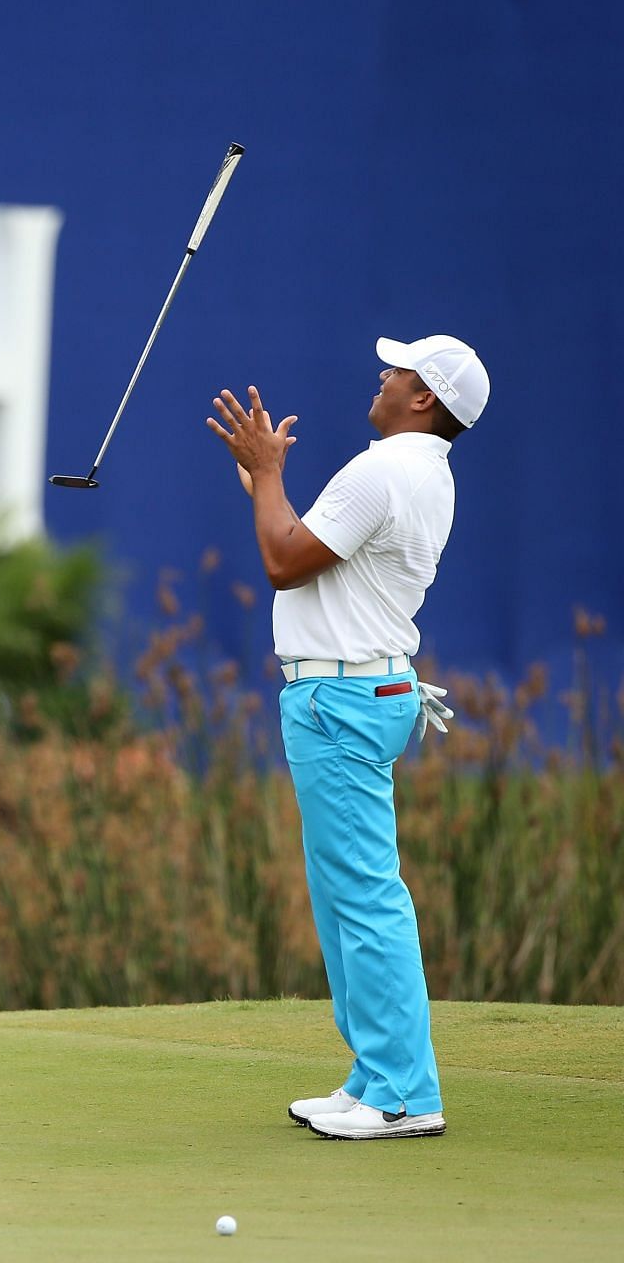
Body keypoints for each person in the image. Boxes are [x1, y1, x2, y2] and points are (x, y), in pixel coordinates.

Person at [205, 334, 489, 1140]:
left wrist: (267, 477)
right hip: (361, 689)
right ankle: (373, 1075)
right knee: (344, 897)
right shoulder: (421, 472)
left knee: (363, 896)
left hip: (343, 695)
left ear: (423, 397)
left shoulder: (385, 469)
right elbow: (309, 549)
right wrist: (263, 482)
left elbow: (284, 563)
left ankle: (403, 1092)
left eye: (397, 370)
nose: (383, 375)